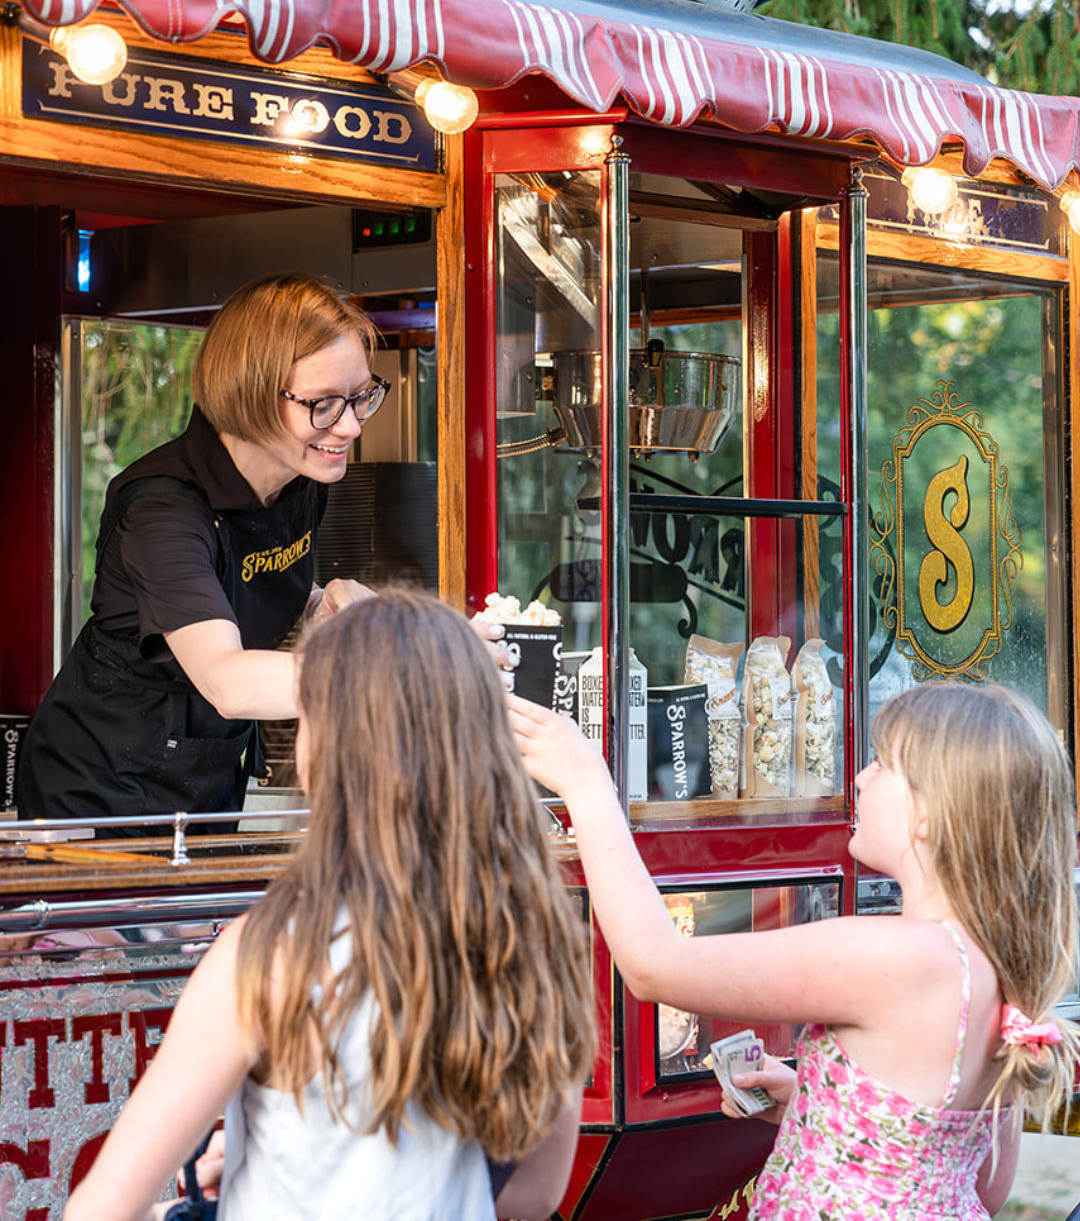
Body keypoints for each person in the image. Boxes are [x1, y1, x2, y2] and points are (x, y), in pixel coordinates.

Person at [65, 590, 594, 1221]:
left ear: (321, 754)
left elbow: (100, 1210)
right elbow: (533, 1197)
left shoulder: (268, 954)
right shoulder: (537, 942)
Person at [509, 681, 1080, 1219]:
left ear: (929, 815)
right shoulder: (989, 964)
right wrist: (813, 1105)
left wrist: (585, 783)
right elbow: (983, 1185)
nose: (859, 777)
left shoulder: (893, 955)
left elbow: (654, 966)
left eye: (883, 764)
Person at [16, 273, 505, 829]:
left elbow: (237, 588)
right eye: (323, 404)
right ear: (248, 394)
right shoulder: (163, 510)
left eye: (361, 396)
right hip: (96, 791)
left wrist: (321, 603)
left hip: (204, 780)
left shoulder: (302, 480)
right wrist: (413, 657)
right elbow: (230, 680)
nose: (349, 426)